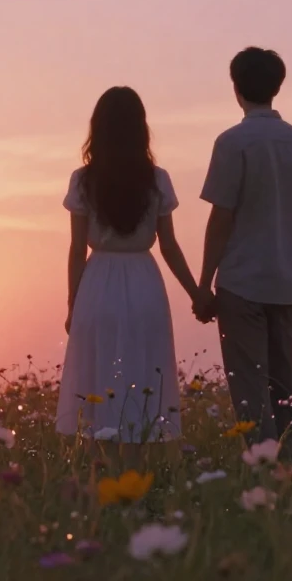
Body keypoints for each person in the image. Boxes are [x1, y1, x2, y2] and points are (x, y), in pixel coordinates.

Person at [56, 87, 206, 448]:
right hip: (144, 285)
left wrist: (73, 304)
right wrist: (197, 293)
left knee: (98, 376)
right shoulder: (157, 179)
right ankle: (138, 469)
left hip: (97, 285)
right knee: (143, 373)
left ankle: (100, 469)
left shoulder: (83, 179)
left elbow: (77, 250)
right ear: (141, 129)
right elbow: (168, 246)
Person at [196, 47, 292, 460]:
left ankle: (263, 470)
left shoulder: (233, 142)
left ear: (236, 88)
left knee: (250, 388)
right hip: (286, 279)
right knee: (285, 384)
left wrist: (203, 283)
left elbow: (221, 218)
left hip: (242, 282)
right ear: (277, 87)